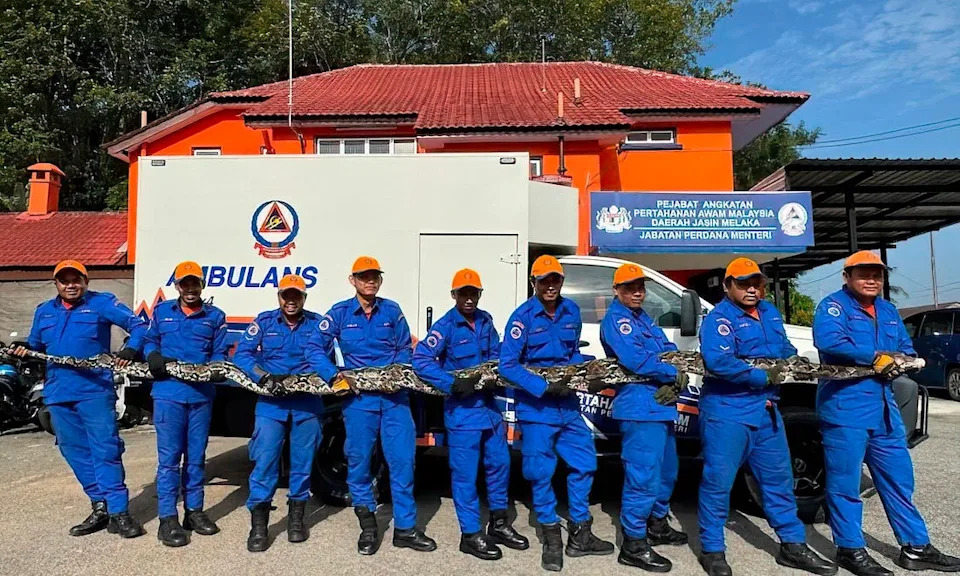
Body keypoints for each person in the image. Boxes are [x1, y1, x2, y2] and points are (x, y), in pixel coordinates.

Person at [813, 250, 960, 575]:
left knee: (898, 480)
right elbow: (830, 342)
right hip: (845, 409)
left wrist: (900, 361)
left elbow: (906, 351)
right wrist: (877, 356)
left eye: (876, 274)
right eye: (863, 273)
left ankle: (916, 547)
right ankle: (850, 549)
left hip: (884, 410)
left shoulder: (888, 310)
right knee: (845, 485)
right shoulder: (833, 306)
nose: (871, 279)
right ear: (847, 277)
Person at [697, 257, 836, 576]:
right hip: (727, 411)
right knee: (718, 483)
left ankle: (792, 545)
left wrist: (794, 360)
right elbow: (718, 360)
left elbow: (783, 347)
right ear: (727, 285)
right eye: (743, 283)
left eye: (757, 283)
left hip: (766, 410)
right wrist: (759, 377)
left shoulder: (770, 313)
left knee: (779, 481)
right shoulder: (719, 319)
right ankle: (713, 550)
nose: (751, 289)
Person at [306, 256, 436, 555]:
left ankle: (405, 529)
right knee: (359, 463)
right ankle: (367, 526)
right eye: (364, 277)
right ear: (353, 280)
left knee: (403, 463)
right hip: (359, 403)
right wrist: (334, 377)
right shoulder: (339, 313)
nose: (370, 281)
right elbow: (314, 348)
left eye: (375, 276)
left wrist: (396, 372)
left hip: (394, 402)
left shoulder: (391, 310)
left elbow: (405, 347)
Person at [14, 260, 147, 538]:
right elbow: (36, 346)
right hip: (59, 392)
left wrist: (130, 350)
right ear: (56, 284)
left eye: (77, 279)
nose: (71, 284)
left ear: (85, 281)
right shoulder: (44, 312)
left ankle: (119, 512)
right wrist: (23, 350)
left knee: (106, 449)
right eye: (65, 280)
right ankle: (100, 506)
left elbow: (139, 326)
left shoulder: (102, 303)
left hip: (94, 391)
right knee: (73, 450)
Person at [499, 255, 614, 572]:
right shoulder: (522, 318)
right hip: (538, 409)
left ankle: (580, 532)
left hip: (568, 407)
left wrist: (587, 368)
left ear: (561, 281)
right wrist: (541, 387)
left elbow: (570, 352)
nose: (550, 285)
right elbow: (507, 365)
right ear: (533, 283)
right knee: (540, 472)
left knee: (585, 464)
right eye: (543, 280)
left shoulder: (571, 312)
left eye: (555, 280)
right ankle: (551, 535)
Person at [412, 268, 529, 561]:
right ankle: (470, 534)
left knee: (500, 465)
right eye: (463, 293)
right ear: (454, 296)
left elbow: (495, 355)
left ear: (479, 294)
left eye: (473, 293)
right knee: (465, 476)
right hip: (463, 413)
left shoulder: (486, 320)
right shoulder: (446, 326)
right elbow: (422, 360)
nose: (469, 298)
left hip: (490, 411)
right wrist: (451, 383)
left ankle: (499, 525)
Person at [599, 263, 688, 572]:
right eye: (629, 287)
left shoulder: (643, 318)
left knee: (667, 472)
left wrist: (670, 374)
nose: (637, 291)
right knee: (643, 477)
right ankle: (634, 543)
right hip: (639, 408)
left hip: (660, 407)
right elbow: (636, 359)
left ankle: (657, 524)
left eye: (640, 286)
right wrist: (670, 374)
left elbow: (668, 348)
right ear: (616, 290)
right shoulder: (617, 320)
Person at [233, 274, 326, 552]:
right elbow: (243, 355)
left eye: (297, 296)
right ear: (279, 297)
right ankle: (259, 526)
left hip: (307, 404)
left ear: (304, 298)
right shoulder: (263, 321)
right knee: (264, 462)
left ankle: (296, 521)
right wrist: (261, 376)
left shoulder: (317, 323)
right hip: (271, 404)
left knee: (303, 463)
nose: (291, 301)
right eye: (287, 295)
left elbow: (327, 357)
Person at [144, 261, 229, 547]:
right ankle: (167, 518)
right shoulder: (162, 312)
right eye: (184, 283)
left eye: (195, 283)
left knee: (196, 457)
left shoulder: (215, 316)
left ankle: (194, 512)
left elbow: (219, 351)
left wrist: (217, 367)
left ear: (202, 285)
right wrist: (153, 355)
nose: (190, 288)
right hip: (168, 395)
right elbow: (149, 341)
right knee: (169, 460)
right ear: (177, 286)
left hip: (201, 397)